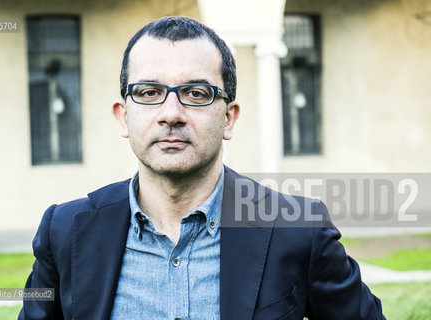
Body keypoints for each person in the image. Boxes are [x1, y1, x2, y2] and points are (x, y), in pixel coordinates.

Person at [19, 16, 385, 320]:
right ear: (123, 116)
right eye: (148, 92)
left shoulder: (298, 229)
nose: (171, 114)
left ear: (228, 118)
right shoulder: (65, 233)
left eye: (196, 93)